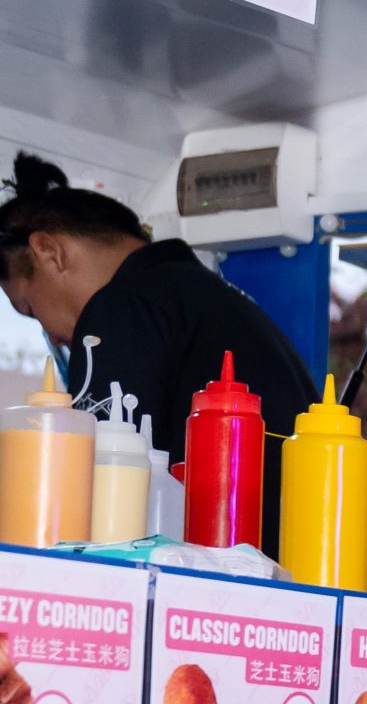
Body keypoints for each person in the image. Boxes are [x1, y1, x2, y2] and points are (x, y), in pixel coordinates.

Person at [0, 152, 318, 544]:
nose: (52, 336)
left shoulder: (119, 309)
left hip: (227, 591)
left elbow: (92, 504)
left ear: (49, 251)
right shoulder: (212, 300)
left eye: (30, 308)